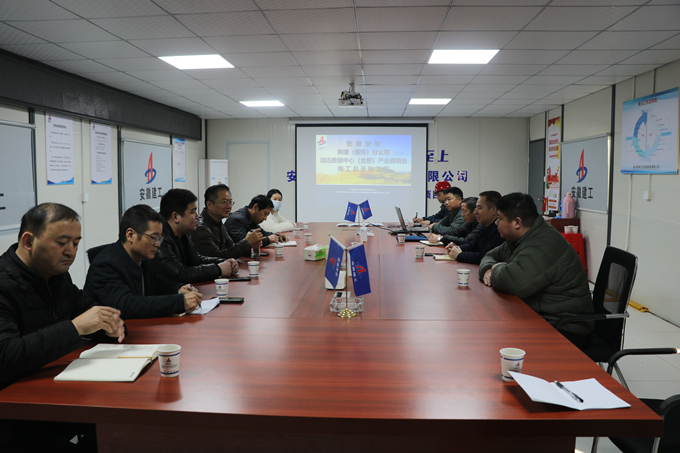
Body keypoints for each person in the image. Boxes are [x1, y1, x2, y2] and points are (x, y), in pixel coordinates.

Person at [0, 203, 125, 452]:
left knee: (122, 424)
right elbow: (5, 356)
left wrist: (110, 325)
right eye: (62, 242)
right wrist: (75, 328)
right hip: (14, 410)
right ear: (28, 241)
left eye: (76, 243)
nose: (71, 252)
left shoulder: (57, 276)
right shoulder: (4, 283)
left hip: (54, 392)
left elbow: (87, 308)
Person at [479, 193, 593, 349]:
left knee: (492, 341)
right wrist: (488, 269)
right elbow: (489, 256)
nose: (496, 223)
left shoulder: (544, 243)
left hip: (565, 328)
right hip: (538, 316)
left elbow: (512, 282)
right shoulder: (520, 238)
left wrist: (496, 268)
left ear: (517, 222)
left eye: (500, 218)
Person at [84, 204, 203, 319]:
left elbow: (158, 283)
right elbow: (126, 305)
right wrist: (179, 302)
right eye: (153, 237)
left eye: (159, 238)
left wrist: (178, 289)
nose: (158, 244)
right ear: (130, 235)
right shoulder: (104, 265)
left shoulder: (142, 258)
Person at [149, 189, 239, 283]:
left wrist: (223, 262)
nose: (197, 216)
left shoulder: (183, 234)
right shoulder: (160, 240)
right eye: (192, 212)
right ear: (175, 217)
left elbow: (196, 259)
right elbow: (181, 274)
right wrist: (218, 269)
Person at [191, 185, 263, 259]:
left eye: (230, 202)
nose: (229, 206)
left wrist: (251, 244)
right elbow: (216, 257)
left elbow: (231, 249)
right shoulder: (200, 227)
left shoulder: (218, 223)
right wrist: (247, 242)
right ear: (209, 204)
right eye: (224, 202)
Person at [447, 191, 504, 264]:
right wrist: (457, 248)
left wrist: (459, 255)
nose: (475, 212)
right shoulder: (485, 226)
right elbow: (473, 244)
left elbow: (486, 257)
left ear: (493, 210)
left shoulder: (499, 230)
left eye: (479, 208)